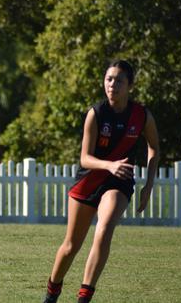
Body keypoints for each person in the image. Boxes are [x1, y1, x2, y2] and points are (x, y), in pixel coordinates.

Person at [42, 60, 160, 303]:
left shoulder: (142, 115)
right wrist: (110, 165)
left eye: (119, 80)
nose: (113, 85)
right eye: (109, 79)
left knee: (104, 229)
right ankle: (51, 294)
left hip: (119, 183)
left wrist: (149, 184)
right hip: (89, 180)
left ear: (130, 86)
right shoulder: (95, 113)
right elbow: (84, 159)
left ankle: (84, 297)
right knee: (71, 245)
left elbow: (154, 148)